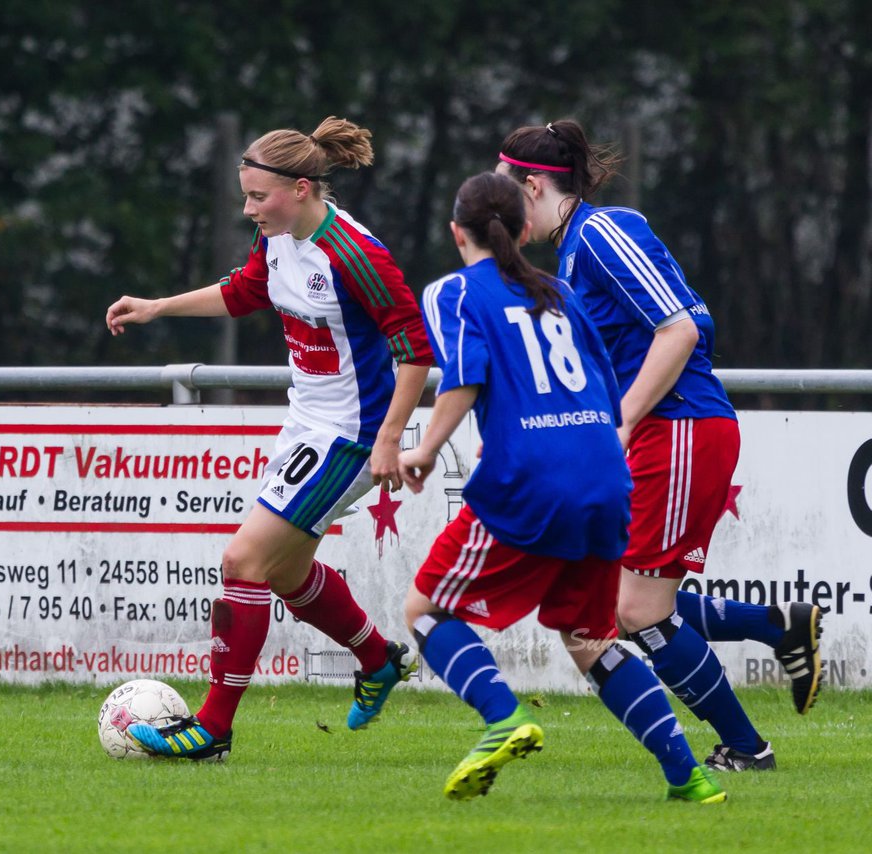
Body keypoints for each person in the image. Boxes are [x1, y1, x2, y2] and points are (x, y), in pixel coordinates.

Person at [495, 119, 823, 774]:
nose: (492, 202)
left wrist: (620, 424)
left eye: (501, 186)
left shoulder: (604, 231)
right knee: (622, 594)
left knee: (636, 610)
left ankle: (747, 749)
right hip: (659, 432)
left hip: (679, 429)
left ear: (532, 186)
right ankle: (776, 625)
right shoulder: (574, 250)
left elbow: (681, 327)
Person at [105, 116, 432, 760]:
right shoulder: (280, 239)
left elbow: (415, 346)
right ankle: (378, 659)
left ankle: (212, 728)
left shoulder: (356, 255)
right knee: (284, 573)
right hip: (306, 425)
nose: (250, 210)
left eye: (259, 197)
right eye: (246, 197)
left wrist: (390, 439)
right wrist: (156, 307)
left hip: (352, 436)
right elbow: (242, 293)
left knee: (242, 563)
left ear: (304, 188)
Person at [399, 171, 724, 803]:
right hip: (605, 480)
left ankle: (503, 719)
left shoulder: (452, 292)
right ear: (524, 229)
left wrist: (426, 448)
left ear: (454, 232)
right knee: (591, 637)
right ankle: (690, 775)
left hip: (531, 481)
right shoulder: (561, 292)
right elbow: (604, 388)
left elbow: (462, 381)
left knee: (425, 610)